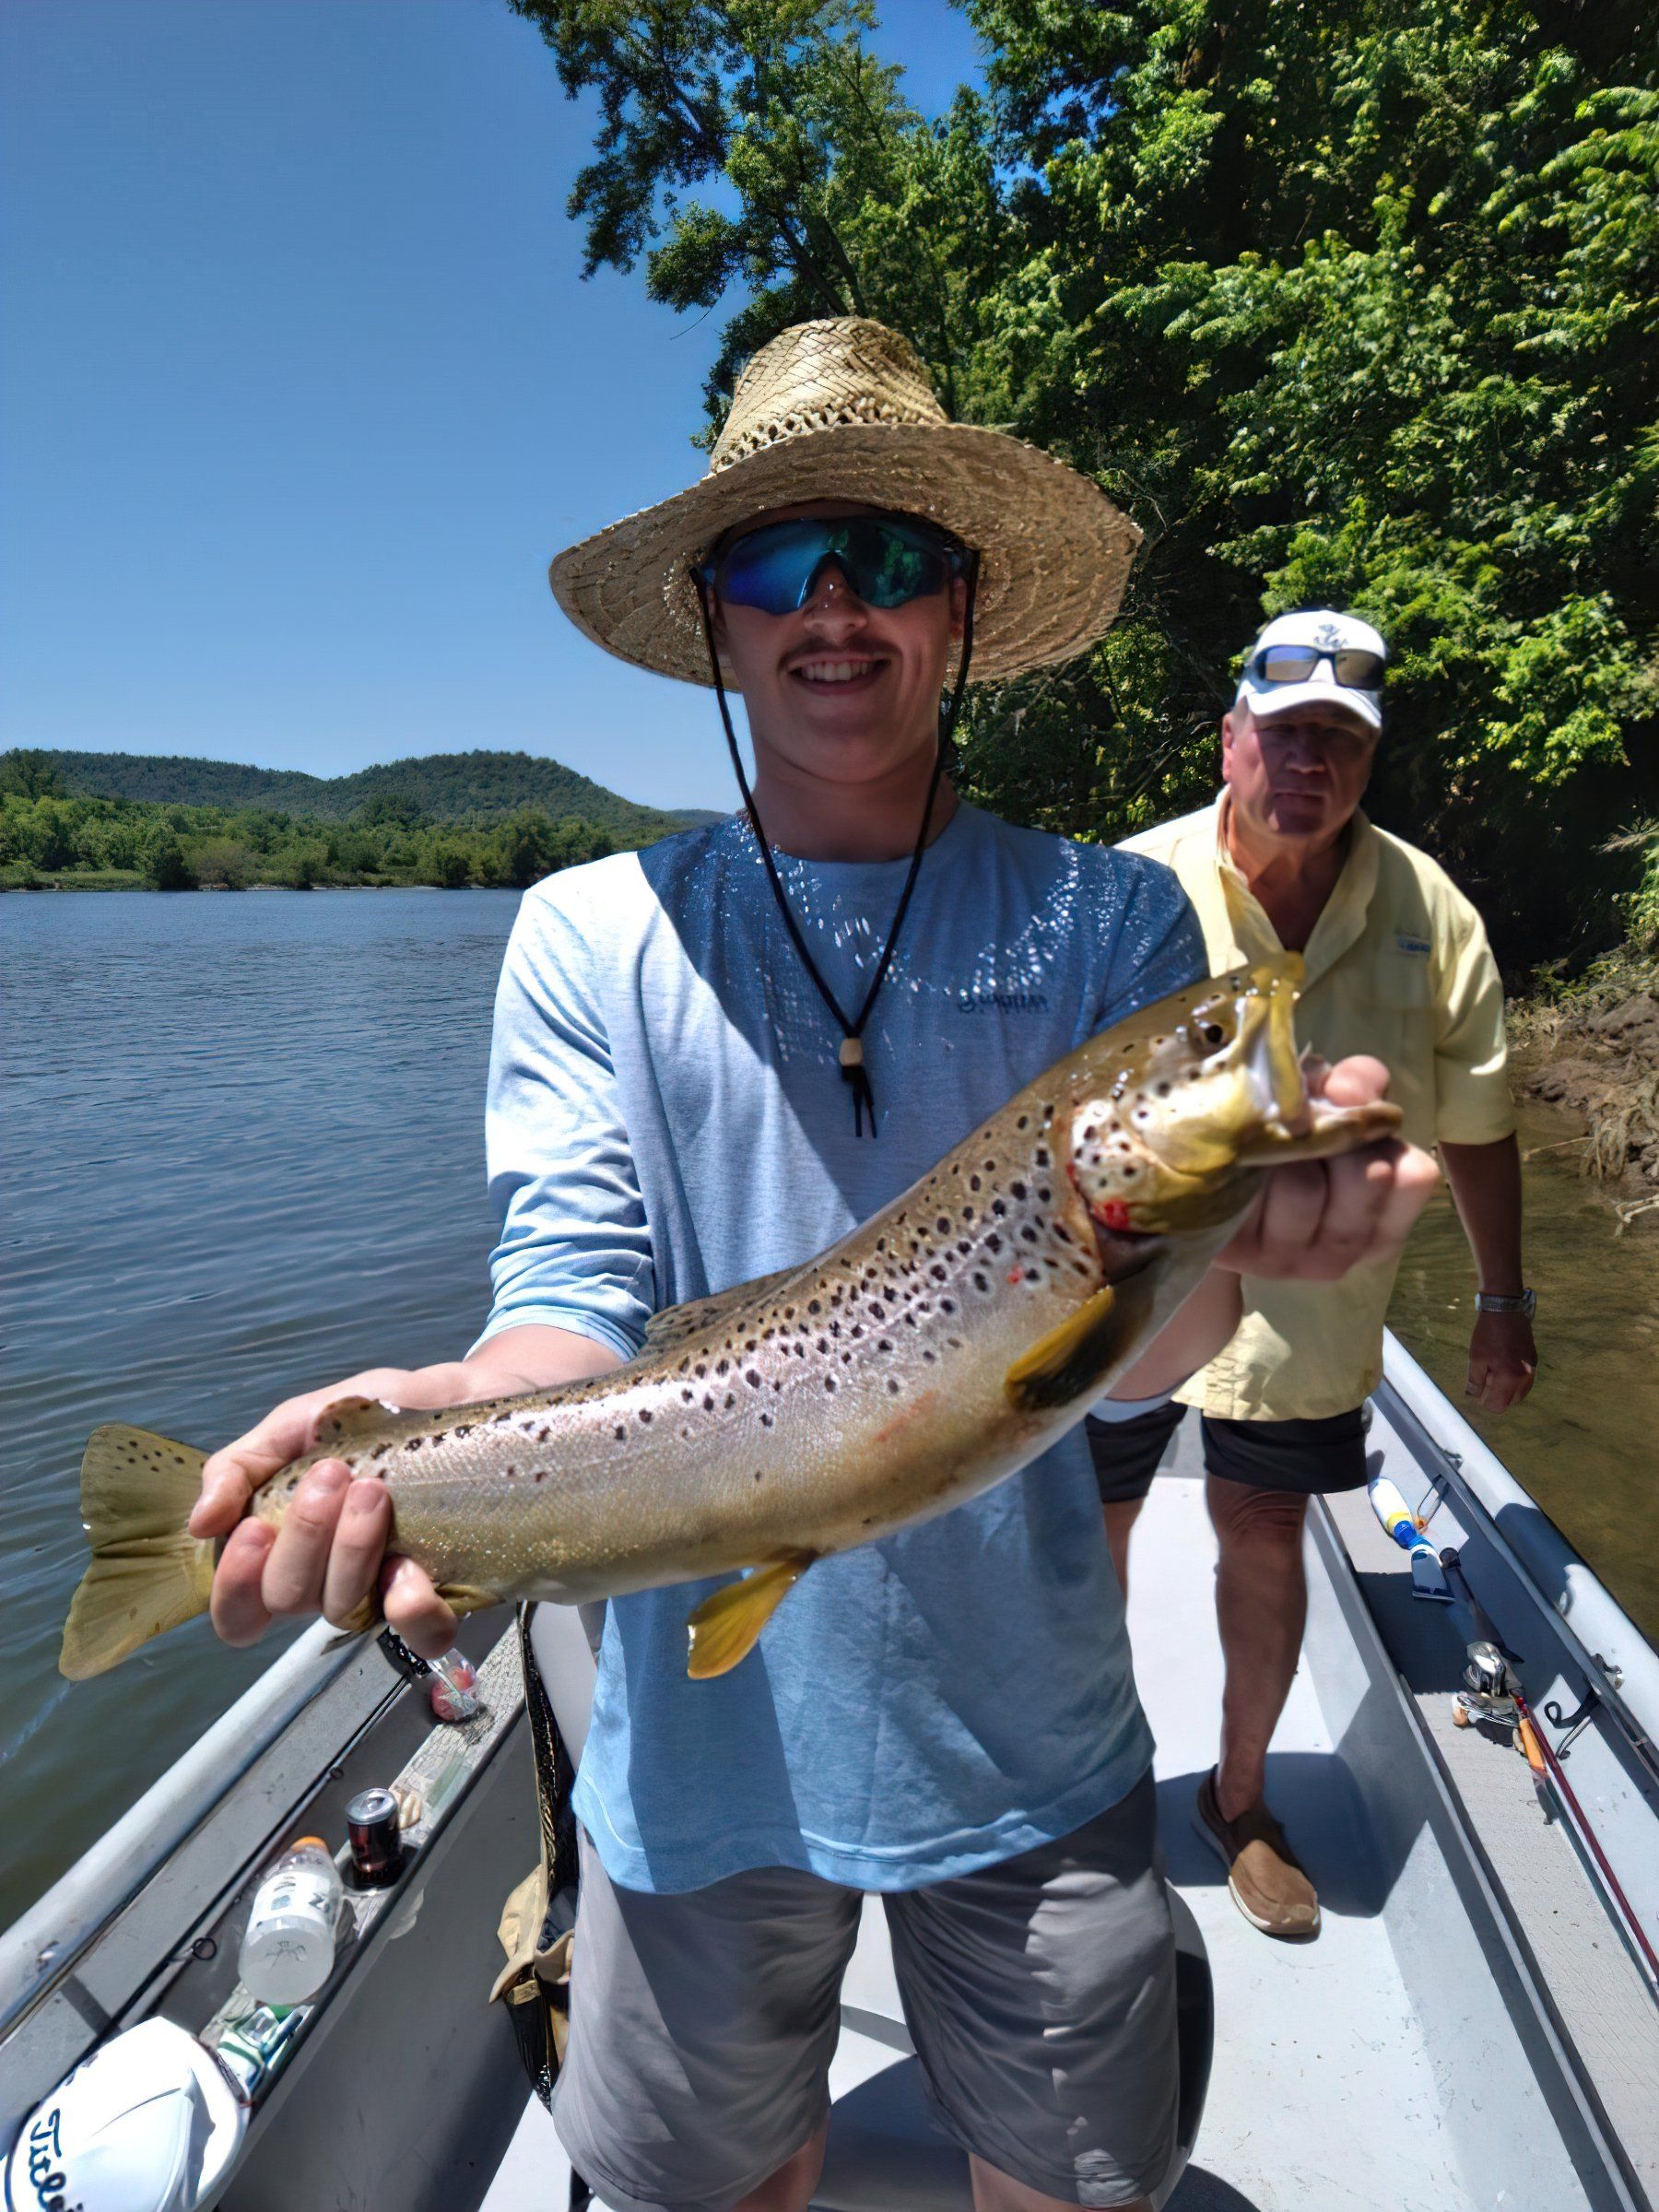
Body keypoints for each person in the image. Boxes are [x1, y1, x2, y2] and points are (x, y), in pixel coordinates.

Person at [185, 326, 1438, 2212]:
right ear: (714, 617)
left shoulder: (1114, 918)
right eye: (779, 564)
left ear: (965, 606)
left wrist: (1238, 1250)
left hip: (1037, 1748)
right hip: (697, 1778)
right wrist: (443, 1424)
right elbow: (567, 1305)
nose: (833, 606)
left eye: (891, 558)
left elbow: (1136, 1363)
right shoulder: (589, 933)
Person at [1089, 608, 1536, 1944]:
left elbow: (1481, 1122)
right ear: (1232, 740)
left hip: (1317, 1310)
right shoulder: (1126, 889)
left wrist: (1505, 1302)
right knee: (1086, 1541)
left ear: (1368, 763)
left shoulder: (1429, 912)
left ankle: (1239, 1803)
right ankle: (1096, 1789)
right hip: (1134, 1301)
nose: (1310, 763)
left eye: (1340, 740)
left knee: (1266, 1535)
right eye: (1286, 734)